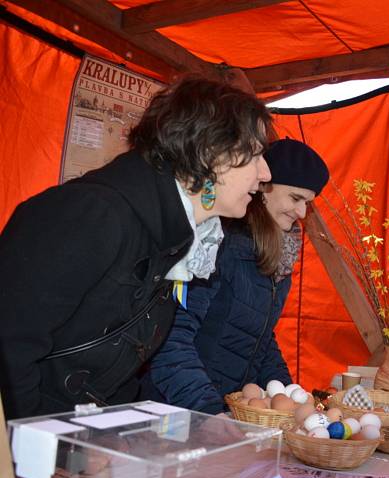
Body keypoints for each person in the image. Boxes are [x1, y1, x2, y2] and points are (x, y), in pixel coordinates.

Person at [0, 76, 272, 419]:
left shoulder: (174, 238)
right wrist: (38, 451)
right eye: (256, 154)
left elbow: (121, 372)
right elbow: (9, 346)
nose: (265, 173)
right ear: (210, 152)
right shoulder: (91, 213)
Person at [139, 139, 329, 414]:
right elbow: (170, 337)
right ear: (263, 186)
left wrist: (289, 398)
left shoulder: (280, 260)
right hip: (177, 411)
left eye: (308, 203)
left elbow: (260, 338)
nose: (301, 213)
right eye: (295, 198)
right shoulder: (219, 245)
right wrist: (211, 414)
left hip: (227, 414)